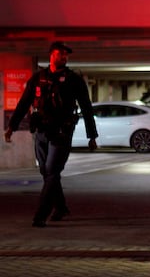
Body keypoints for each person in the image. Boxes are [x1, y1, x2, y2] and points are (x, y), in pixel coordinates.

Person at [4, 41, 98, 227]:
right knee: (45, 171)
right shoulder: (38, 78)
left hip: (62, 132)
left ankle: (41, 215)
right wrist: (11, 127)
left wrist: (92, 136)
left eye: (66, 54)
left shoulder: (73, 79)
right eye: (60, 53)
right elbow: (24, 103)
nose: (64, 57)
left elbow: (87, 107)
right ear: (52, 55)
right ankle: (61, 207)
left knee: (52, 171)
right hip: (42, 131)